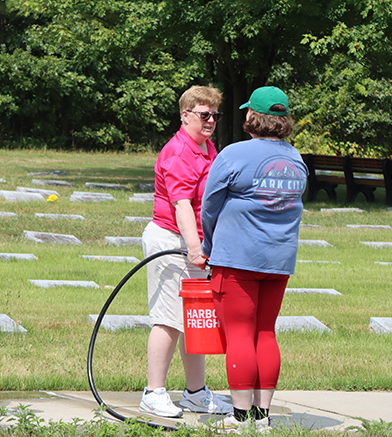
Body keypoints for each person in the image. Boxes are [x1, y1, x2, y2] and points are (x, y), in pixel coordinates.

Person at [200, 86, 307, 431]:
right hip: (279, 260)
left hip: (237, 259)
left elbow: (210, 206)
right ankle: (263, 415)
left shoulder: (233, 154)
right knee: (266, 332)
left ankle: (240, 415)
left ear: (253, 116)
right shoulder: (296, 159)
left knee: (240, 335)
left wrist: (208, 246)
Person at [139, 85, 232, 418]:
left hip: (193, 244)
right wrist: (194, 248)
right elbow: (181, 205)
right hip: (172, 241)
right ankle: (153, 392)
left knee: (193, 320)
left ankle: (195, 393)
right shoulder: (179, 152)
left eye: (215, 115)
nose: (211, 121)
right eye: (204, 115)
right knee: (167, 319)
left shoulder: (207, 148)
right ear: (185, 115)